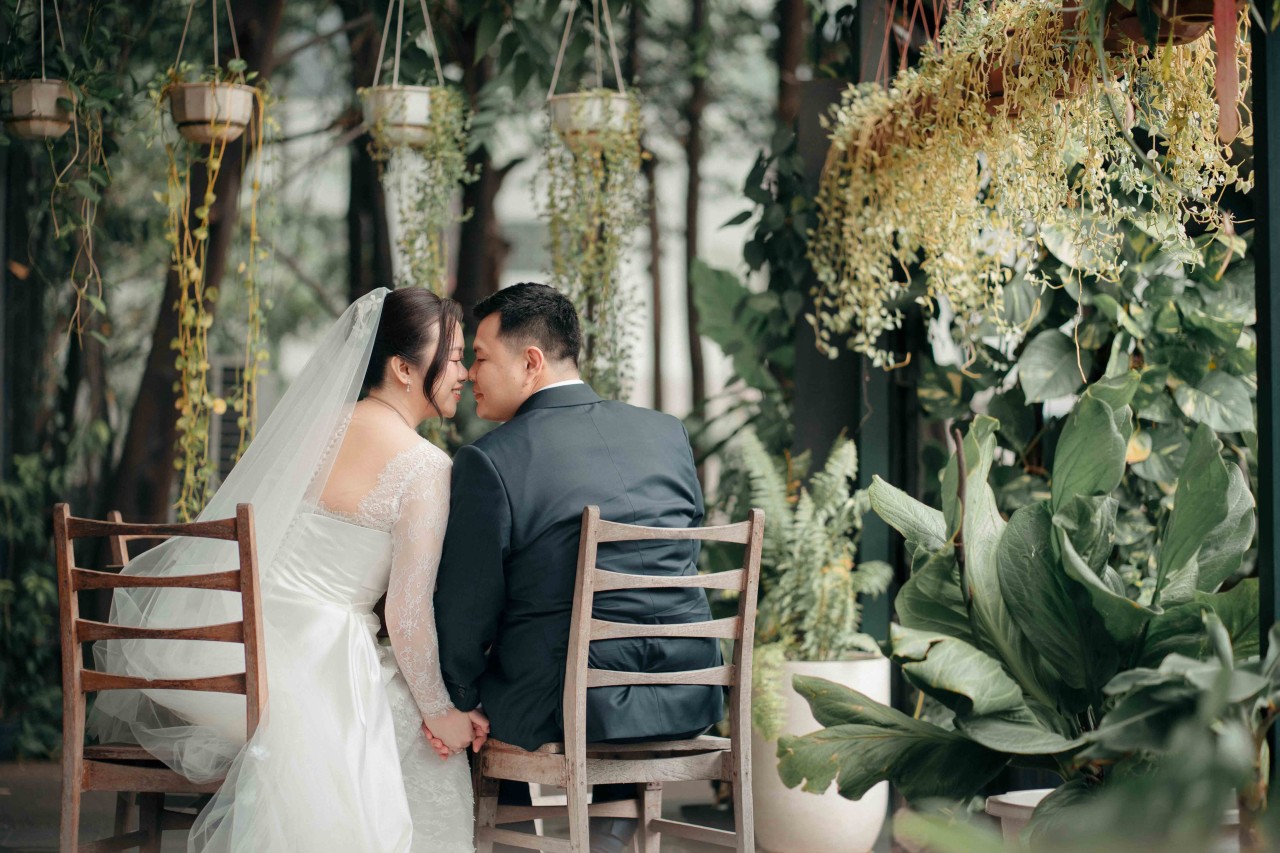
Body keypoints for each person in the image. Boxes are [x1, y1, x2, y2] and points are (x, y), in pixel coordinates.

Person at [89, 288, 484, 852]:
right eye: (454, 357)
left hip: (228, 646)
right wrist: (442, 713)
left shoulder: (311, 429)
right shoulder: (425, 467)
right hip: (312, 658)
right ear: (403, 368)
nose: (464, 373)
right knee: (417, 738)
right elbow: (406, 613)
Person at [433, 283, 725, 853]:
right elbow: (677, 557)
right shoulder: (666, 433)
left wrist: (458, 695)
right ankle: (609, 842)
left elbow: (467, 607)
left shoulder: (491, 460)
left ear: (531, 362)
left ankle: (517, 845)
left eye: (481, 357)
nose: (469, 374)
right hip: (688, 687)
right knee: (596, 673)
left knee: (469, 705)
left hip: (567, 701)